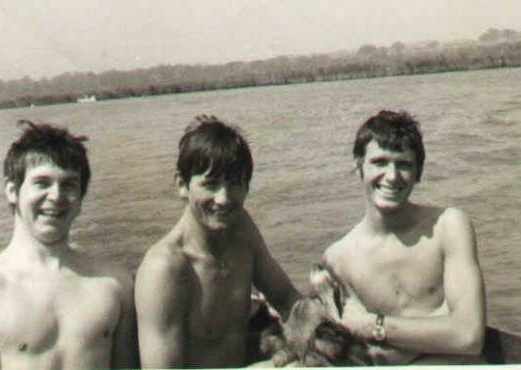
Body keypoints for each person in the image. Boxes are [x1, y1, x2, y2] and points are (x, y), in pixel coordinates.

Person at [0, 120, 138, 370]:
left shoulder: (115, 284)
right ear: (12, 191)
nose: (55, 196)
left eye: (68, 185)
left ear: (80, 200)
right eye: (42, 183)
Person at [135, 115, 301, 368]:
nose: (223, 199)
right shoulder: (164, 269)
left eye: (234, 184)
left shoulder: (241, 228)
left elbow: (287, 299)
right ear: (182, 185)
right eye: (210, 185)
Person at [322, 110, 486, 365]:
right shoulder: (338, 259)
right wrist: (437, 332)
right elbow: (356, 356)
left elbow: (469, 336)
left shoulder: (448, 227)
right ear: (358, 166)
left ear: (418, 172)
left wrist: (371, 326)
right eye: (380, 162)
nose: (392, 176)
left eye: (404, 164)